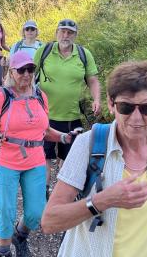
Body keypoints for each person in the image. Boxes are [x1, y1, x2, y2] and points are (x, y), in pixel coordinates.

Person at [41, 61, 147, 257]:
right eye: (126, 107)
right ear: (110, 104)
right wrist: (102, 201)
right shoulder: (87, 145)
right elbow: (50, 221)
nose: (136, 118)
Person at [0, 51, 75, 257]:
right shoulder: (2, 96)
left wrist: (65, 137)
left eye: (30, 69)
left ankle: (20, 235)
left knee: (37, 212)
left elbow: (45, 131)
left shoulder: (40, 96)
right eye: (21, 69)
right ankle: (4, 251)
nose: (26, 74)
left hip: (35, 161)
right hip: (6, 160)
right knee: (5, 210)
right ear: (12, 72)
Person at [33, 18, 101, 198]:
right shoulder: (44, 51)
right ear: (57, 33)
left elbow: (93, 80)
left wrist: (97, 100)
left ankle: (61, 195)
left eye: (70, 32)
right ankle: (43, 193)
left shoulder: (83, 54)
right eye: (63, 31)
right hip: (44, 116)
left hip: (71, 116)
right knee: (44, 157)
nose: (66, 35)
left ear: (75, 35)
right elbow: (30, 75)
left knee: (68, 159)